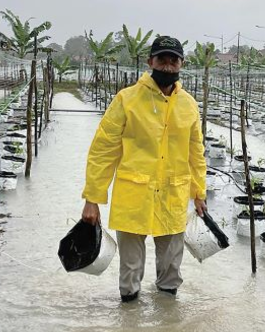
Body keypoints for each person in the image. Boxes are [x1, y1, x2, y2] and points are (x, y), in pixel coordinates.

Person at [80, 35, 207, 302]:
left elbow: (196, 152)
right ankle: (129, 325)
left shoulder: (189, 105)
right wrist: (92, 199)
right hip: (134, 197)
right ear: (151, 61)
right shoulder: (127, 99)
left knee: (172, 268)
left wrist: (199, 192)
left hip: (172, 197)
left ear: (181, 64)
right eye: (162, 59)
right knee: (130, 270)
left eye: (174, 60)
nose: (168, 66)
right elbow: (103, 151)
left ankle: (167, 326)